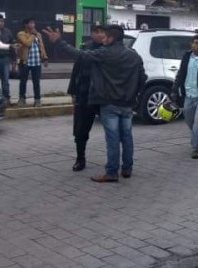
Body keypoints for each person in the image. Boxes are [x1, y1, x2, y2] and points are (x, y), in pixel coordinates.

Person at [45, 25, 146, 182]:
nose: (102, 38)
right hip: (127, 103)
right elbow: (142, 77)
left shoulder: (105, 53)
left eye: (105, 36)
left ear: (111, 38)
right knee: (126, 136)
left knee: (112, 138)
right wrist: (134, 94)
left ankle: (112, 172)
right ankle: (127, 168)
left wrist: (59, 42)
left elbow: (79, 55)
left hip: (109, 102)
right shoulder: (133, 54)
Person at [67, 26, 106, 171]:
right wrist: (73, 91)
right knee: (80, 129)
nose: (100, 34)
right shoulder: (85, 49)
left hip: (104, 96)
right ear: (92, 34)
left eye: (103, 32)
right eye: (97, 32)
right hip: (84, 94)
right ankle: (80, 158)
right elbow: (76, 70)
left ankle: (113, 159)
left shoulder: (108, 49)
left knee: (112, 129)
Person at [17, 17, 48, 107]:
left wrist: (45, 57)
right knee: (23, 81)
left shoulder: (38, 34)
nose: (32, 25)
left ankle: (37, 99)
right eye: (30, 23)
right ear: (26, 25)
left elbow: (42, 46)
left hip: (36, 61)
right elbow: (27, 43)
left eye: (33, 23)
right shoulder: (21, 34)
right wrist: (33, 35)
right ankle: (22, 99)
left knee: (36, 82)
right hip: (25, 61)